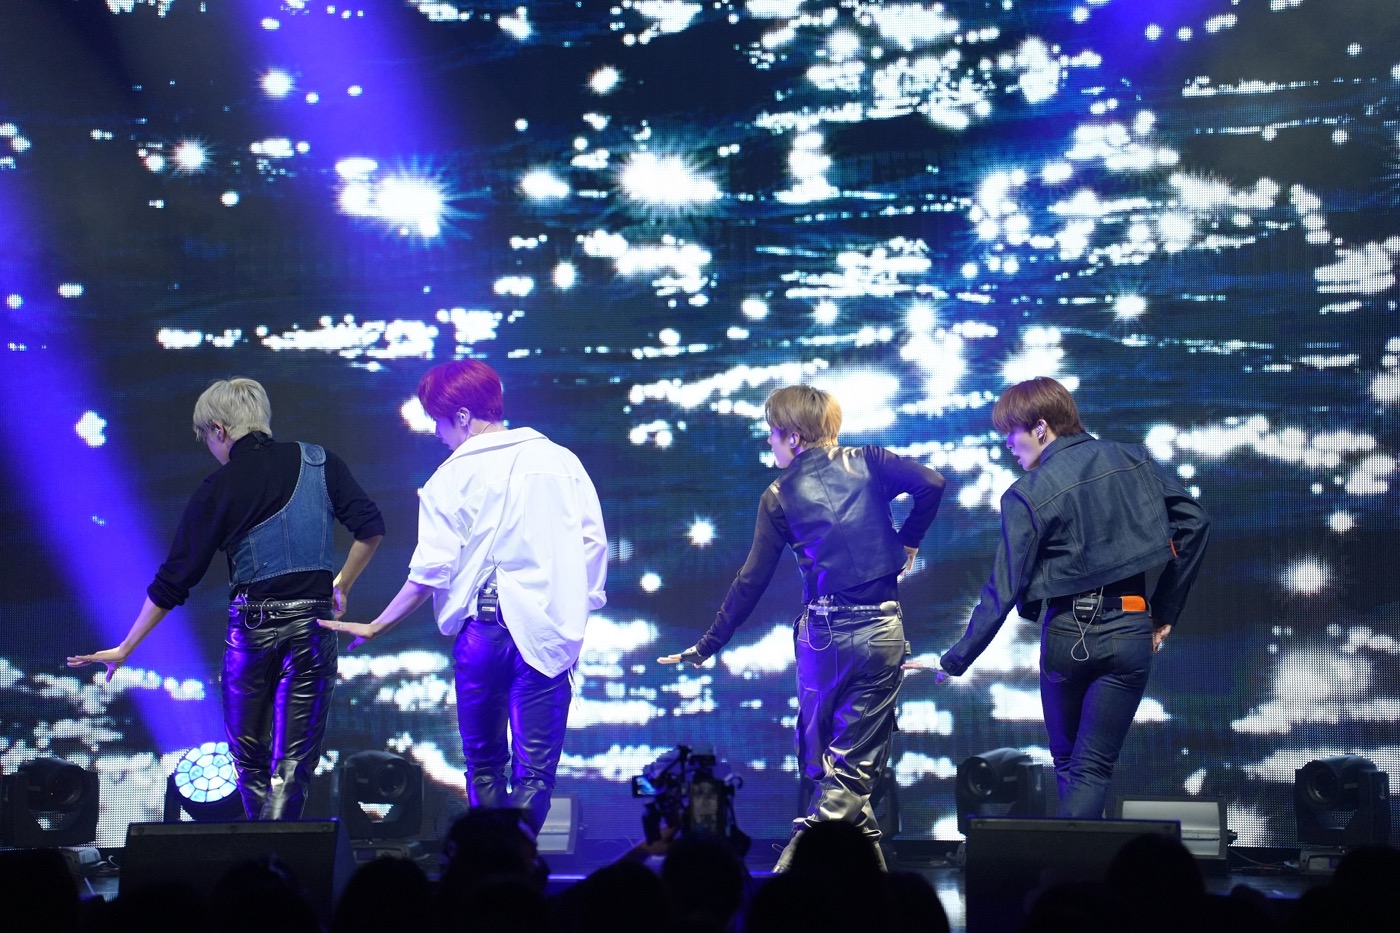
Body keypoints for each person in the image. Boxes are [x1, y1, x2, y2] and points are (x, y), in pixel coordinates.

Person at [67, 377, 384, 820]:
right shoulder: (319, 462)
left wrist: (126, 646)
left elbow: (174, 580)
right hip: (313, 629)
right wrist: (341, 584)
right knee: (293, 764)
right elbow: (370, 528)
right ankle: (279, 853)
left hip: (252, 633)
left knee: (249, 758)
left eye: (207, 438)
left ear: (218, 429)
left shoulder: (217, 488)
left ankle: (265, 851)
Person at [660, 384, 945, 871]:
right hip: (880, 630)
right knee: (844, 770)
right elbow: (932, 484)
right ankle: (874, 891)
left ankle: (789, 874)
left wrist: (708, 645)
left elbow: (751, 581)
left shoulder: (777, 496)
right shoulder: (869, 460)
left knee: (829, 767)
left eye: (772, 432)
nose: (769, 442)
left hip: (823, 636)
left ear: (793, 436)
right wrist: (907, 543)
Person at [322, 359, 607, 836]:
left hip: (483, 635)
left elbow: (428, 572)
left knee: (484, 765)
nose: (437, 433)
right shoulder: (562, 462)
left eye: (438, 420)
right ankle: (516, 857)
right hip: (547, 633)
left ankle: (487, 860)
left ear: (461, 416)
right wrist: (578, 610)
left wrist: (376, 625)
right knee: (535, 774)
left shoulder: (448, 478)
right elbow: (593, 545)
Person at [939, 376, 1210, 819]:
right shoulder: (1133, 459)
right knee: (1092, 769)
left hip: (1068, 635)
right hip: (1130, 626)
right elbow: (1195, 523)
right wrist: (1164, 611)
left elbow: (1003, 588)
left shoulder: (1025, 494)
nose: (1008, 445)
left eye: (1012, 432)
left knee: (1071, 764)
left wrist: (955, 659)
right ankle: (1083, 859)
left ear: (1041, 427)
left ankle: (1069, 861)